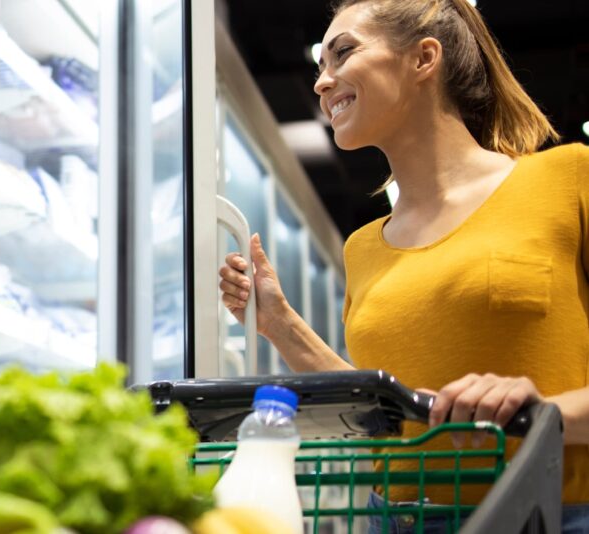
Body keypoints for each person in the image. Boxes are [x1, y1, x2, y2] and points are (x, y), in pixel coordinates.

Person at [218, 0, 589, 532]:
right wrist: (278, 323)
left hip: (546, 514)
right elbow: (383, 410)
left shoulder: (567, 179)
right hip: (391, 519)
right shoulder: (364, 246)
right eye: (319, 66)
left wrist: (540, 414)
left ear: (423, 58)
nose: (323, 83)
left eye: (342, 54)